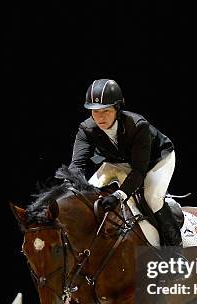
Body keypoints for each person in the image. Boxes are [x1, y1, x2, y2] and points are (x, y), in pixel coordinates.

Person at [69, 79, 181, 245]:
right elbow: (77, 165)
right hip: (119, 161)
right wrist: (68, 187)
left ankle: (176, 250)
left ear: (117, 108)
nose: (100, 117)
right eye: (94, 112)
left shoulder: (137, 126)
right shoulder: (86, 129)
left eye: (106, 110)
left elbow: (139, 171)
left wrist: (118, 196)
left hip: (156, 160)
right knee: (90, 196)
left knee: (152, 198)